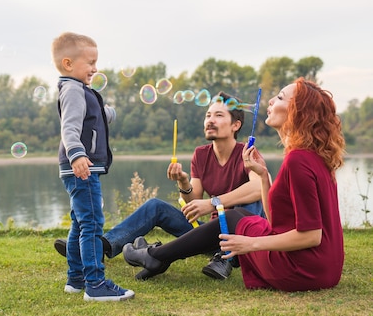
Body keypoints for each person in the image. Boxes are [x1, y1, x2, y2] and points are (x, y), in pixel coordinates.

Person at [123, 78, 345, 292]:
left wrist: (250, 244)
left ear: (298, 111)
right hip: (324, 268)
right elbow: (277, 220)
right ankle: (155, 256)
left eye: (279, 97)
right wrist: (264, 176)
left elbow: (311, 236)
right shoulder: (312, 155)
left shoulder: (298, 160)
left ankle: (155, 256)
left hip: (300, 269)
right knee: (235, 215)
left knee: (232, 217)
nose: (270, 101)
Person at [55, 91, 264, 280]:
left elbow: (258, 188)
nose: (210, 120)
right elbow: (195, 205)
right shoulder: (201, 154)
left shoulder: (248, 153)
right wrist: (183, 182)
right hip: (209, 235)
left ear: (235, 125)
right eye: (208, 115)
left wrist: (213, 203)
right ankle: (100, 247)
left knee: (253, 198)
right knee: (155, 206)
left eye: (218, 115)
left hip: (241, 237)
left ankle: (225, 259)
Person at [51, 32, 134, 301]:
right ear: (68, 64)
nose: (95, 68)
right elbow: (70, 127)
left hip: (79, 167)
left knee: (80, 222)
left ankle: (75, 280)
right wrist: (77, 155)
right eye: (90, 62)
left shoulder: (79, 90)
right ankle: (95, 284)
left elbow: (91, 118)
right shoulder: (73, 90)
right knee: (93, 224)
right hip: (81, 166)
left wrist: (107, 112)